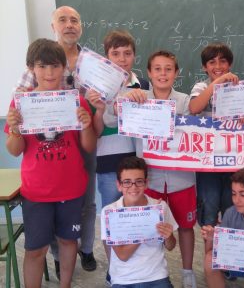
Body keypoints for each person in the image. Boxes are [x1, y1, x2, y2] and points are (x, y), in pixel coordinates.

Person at [5, 38, 96, 288]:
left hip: (71, 187)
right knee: (35, 249)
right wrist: (15, 129)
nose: (49, 73)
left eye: (55, 66)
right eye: (42, 66)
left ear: (64, 68)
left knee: (69, 241)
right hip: (37, 190)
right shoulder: (20, 104)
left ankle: (65, 284)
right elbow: (14, 151)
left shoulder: (77, 101)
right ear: (31, 69)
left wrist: (87, 125)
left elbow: (88, 147)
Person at [103, 50, 197, 288]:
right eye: (157, 69)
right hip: (149, 178)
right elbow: (109, 118)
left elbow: (202, 121)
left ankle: (187, 271)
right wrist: (124, 100)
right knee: (151, 226)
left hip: (181, 178)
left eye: (168, 69)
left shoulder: (185, 101)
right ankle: (153, 272)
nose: (162, 74)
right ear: (149, 72)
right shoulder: (137, 97)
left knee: (185, 227)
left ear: (176, 73)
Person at [87, 29, 149, 285]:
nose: (122, 59)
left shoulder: (144, 85)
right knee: (112, 216)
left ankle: (140, 267)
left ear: (134, 55)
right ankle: (115, 269)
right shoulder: (95, 88)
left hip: (136, 159)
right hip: (109, 162)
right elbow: (96, 131)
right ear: (107, 56)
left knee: (138, 214)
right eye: (116, 53)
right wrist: (101, 109)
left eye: (127, 53)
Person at [100, 156, 177, 288]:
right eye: (127, 182)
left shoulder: (160, 207)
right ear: (119, 185)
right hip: (123, 280)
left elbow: (170, 246)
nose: (133, 187)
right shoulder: (110, 212)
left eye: (139, 181)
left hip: (157, 276)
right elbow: (123, 255)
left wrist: (168, 236)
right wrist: (146, 226)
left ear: (146, 183)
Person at [189, 43, 238, 230]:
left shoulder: (239, 88)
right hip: (207, 161)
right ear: (204, 67)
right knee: (208, 209)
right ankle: (210, 253)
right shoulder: (201, 87)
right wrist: (218, 82)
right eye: (212, 62)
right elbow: (194, 108)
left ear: (230, 64)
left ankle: (228, 253)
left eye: (223, 61)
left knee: (231, 210)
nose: (218, 66)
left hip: (233, 160)